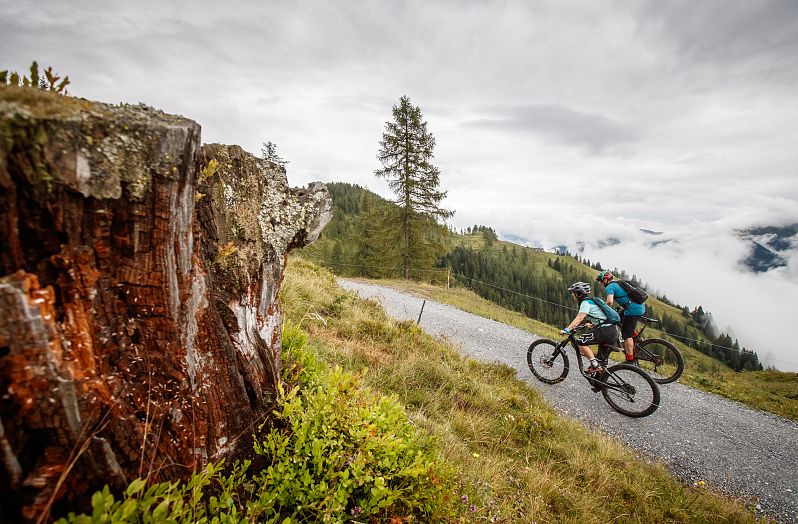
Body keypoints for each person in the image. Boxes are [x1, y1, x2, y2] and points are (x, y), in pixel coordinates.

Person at [560, 282, 620, 379]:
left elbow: (579, 318)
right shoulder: (592, 301)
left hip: (606, 330)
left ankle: (594, 365)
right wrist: (592, 324)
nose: (572, 294)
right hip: (612, 330)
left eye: (574, 292)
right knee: (602, 362)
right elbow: (602, 316)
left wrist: (567, 329)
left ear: (579, 293)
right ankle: (600, 383)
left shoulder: (585, 303)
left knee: (580, 341)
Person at [595, 271, 645, 364]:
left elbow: (609, 302)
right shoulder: (618, 283)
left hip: (633, 309)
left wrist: (605, 312)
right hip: (639, 306)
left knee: (626, 335)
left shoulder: (610, 287)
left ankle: (630, 360)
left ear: (606, 280)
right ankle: (636, 336)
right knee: (619, 318)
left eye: (601, 281)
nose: (601, 283)